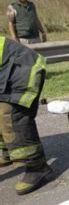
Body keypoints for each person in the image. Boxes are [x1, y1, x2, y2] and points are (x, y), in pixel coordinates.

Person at [0, 36, 52, 195]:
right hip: (7, 70)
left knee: (11, 116)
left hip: (22, 68)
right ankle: (7, 152)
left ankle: (37, 168)